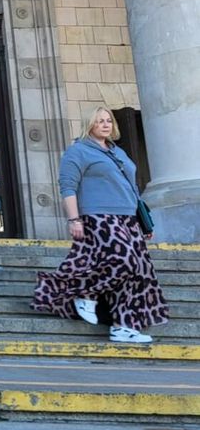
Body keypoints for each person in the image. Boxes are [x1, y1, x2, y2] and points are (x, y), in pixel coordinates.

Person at [32, 106, 168, 343]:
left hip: (128, 218)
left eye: (108, 121)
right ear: (89, 124)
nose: (105, 125)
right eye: (99, 121)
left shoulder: (118, 151)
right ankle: (85, 293)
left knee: (138, 271)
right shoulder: (78, 151)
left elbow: (131, 188)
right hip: (99, 217)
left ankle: (123, 325)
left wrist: (143, 222)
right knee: (123, 261)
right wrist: (74, 219)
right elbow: (68, 187)